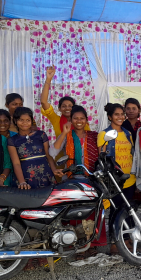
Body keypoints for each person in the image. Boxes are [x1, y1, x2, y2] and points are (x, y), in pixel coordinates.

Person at [50, 106, 106, 256]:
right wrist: (64, 132)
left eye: (82, 118)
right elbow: (52, 151)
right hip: (72, 180)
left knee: (94, 211)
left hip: (92, 178)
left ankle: (93, 244)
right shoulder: (67, 136)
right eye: (75, 118)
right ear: (71, 120)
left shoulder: (94, 136)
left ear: (87, 120)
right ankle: (76, 244)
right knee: (75, 213)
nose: (79, 121)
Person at [8, 107, 62, 189]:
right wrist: (22, 182)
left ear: (31, 121)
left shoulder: (41, 135)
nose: (24, 123)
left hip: (45, 174)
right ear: (15, 121)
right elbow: (16, 163)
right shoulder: (12, 140)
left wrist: (54, 170)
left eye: (28, 120)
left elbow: (48, 156)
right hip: (26, 177)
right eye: (21, 120)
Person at [98, 103, 136, 197]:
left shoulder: (128, 134)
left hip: (130, 179)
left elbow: (131, 155)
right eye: (116, 114)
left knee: (128, 210)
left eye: (122, 114)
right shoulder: (104, 134)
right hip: (114, 181)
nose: (120, 117)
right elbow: (102, 160)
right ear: (110, 117)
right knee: (117, 210)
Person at [40, 66, 89, 136]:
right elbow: (44, 102)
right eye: (64, 106)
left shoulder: (81, 122)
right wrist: (48, 79)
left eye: (70, 106)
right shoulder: (56, 120)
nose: (67, 108)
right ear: (59, 109)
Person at [0, 109, 17, 185]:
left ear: (10, 122)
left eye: (6, 120)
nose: (2, 123)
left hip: (17, 174)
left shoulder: (16, 137)